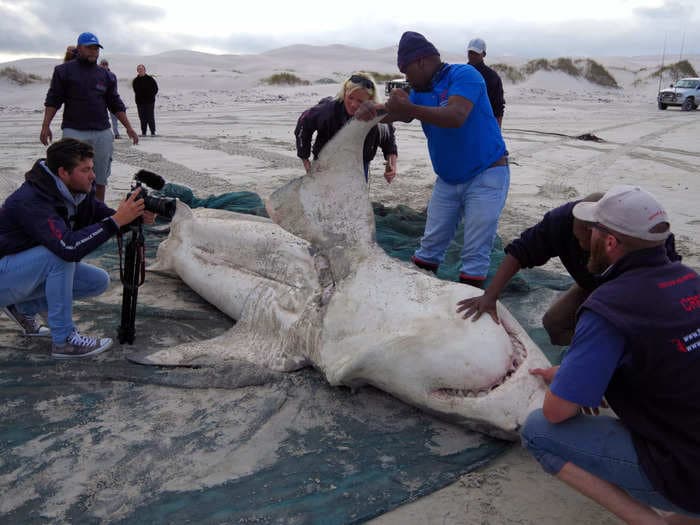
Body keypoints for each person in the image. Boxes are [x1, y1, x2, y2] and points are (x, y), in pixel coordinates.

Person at [521, 185, 700, 523]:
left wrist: (570, 387)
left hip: (690, 472)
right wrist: (574, 375)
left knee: (538, 430)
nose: (584, 238)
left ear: (611, 242)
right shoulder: (691, 281)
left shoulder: (610, 306)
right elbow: (671, 361)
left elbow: (557, 412)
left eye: (593, 230)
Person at [357, 32, 508, 288]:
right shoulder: (419, 90)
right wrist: (369, 112)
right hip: (448, 180)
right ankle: (420, 299)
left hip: (486, 174)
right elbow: (392, 114)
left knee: (475, 253)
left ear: (422, 62)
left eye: (406, 71)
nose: (406, 78)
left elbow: (456, 115)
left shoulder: (465, 75)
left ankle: (467, 314)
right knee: (429, 248)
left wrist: (410, 109)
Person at [456, 192, 682, 345]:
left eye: (588, 240)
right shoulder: (560, 221)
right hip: (590, 283)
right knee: (554, 324)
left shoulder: (644, 234)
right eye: (577, 237)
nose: (581, 244)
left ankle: (608, 363)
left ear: (608, 236)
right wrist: (490, 295)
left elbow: (668, 287)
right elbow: (519, 251)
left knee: (630, 339)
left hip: (640, 293)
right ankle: (585, 357)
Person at [0, 138, 151, 358]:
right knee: (60, 257)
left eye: (92, 168)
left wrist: (133, 216)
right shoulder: (32, 199)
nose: (93, 176)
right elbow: (69, 248)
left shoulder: (76, 191)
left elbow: (103, 217)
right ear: (63, 172)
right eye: (86, 170)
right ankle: (65, 341)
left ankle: (22, 307)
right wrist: (117, 221)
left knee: (97, 281)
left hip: (18, 273)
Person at [41, 32, 139, 202]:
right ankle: (73, 212)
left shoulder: (106, 75)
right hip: (74, 132)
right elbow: (53, 99)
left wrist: (129, 128)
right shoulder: (63, 71)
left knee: (100, 177)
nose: (93, 52)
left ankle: (97, 210)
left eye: (96, 48)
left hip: (102, 133)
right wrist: (45, 125)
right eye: (89, 48)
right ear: (79, 48)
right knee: (72, 176)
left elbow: (115, 103)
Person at [295, 72, 398, 183]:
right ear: (344, 93)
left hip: (359, 164)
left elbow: (389, 141)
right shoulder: (327, 110)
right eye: (350, 98)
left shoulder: (377, 116)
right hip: (326, 164)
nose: (353, 104)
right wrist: (305, 160)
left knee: (353, 199)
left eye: (360, 101)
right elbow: (304, 123)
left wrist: (391, 164)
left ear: (370, 100)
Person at [466, 38, 505, 128]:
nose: (472, 55)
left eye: (476, 53)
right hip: (464, 123)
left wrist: (497, 131)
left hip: (484, 124)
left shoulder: (492, 77)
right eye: (470, 52)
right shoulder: (460, 73)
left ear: (484, 54)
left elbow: (498, 106)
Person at [132, 64, 159, 137]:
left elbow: (155, 89)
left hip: (149, 102)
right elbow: (135, 90)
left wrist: (150, 96)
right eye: (139, 69)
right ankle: (144, 132)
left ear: (144, 70)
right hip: (140, 103)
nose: (140, 70)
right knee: (142, 117)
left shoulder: (150, 79)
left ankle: (153, 132)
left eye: (142, 69)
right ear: (137, 71)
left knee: (150, 117)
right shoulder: (135, 80)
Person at [99, 59, 121, 139]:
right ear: (100, 65)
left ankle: (116, 133)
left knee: (114, 117)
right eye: (103, 64)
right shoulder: (96, 74)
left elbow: (115, 87)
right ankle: (103, 133)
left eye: (105, 64)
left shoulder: (112, 75)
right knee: (102, 117)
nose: (104, 65)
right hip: (100, 99)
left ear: (108, 65)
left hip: (111, 99)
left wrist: (115, 97)